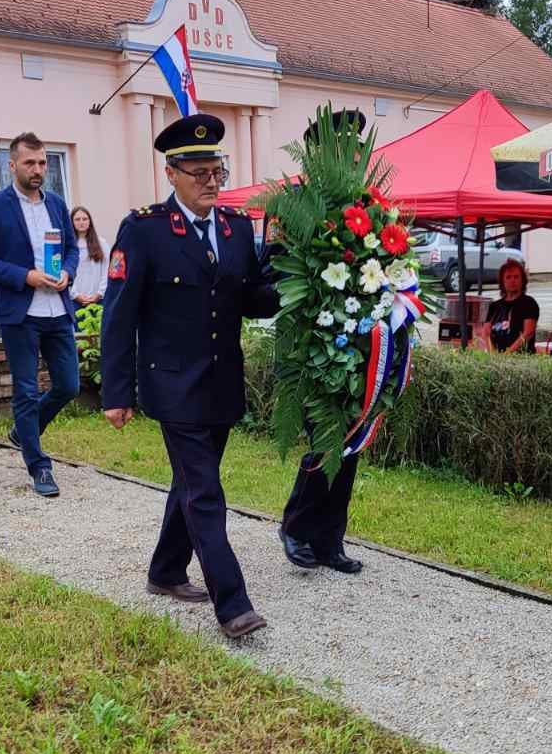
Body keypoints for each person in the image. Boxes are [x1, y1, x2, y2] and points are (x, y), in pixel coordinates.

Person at [100, 112, 277, 641]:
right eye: (198, 172)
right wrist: (117, 391)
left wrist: (290, 266)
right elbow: (119, 314)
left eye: (216, 171)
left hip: (221, 381)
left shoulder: (237, 228)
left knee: (189, 481)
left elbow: (252, 301)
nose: (211, 182)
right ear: (171, 174)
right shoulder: (144, 230)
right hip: (171, 384)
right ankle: (233, 603)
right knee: (205, 490)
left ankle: (165, 570)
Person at [277, 107, 370, 576]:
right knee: (323, 438)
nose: (352, 153)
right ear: (320, 153)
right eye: (343, 146)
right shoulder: (296, 202)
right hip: (311, 345)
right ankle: (296, 526)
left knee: (349, 443)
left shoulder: (367, 203)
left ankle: (330, 540)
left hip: (358, 344)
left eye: (356, 146)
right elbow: (278, 271)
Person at [0, 131, 80, 497]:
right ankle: (39, 466)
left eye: (43, 162)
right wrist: (24, 276)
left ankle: (23, 430)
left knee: (68, 385)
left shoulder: (57, 204)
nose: (38, 169)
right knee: (27, 391)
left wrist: (68, 273)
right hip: (21, 311)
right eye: (30, 162)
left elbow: (72, 249)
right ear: (11, 165)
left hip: (57, 308)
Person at [485, 257, 539, 353]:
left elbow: (528, 333)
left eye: (516, 277)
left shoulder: (529, 303)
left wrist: (507, 354)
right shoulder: (494, 306)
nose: (512, 280)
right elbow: (486, 332)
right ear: (502, 282)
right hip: (497, 358)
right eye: (508, 277)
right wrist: (492, 356)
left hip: (521, 358)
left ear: (522, 280)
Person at [69, 206, 108, 307]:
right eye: (77, 219)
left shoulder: (101, 243)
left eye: (85, 219)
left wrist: (99, 294)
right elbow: (64, 272)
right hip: (74, 301)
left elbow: (107, 270)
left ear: (90, 221)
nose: (81, 222)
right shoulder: (68, 245)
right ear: (71, 222)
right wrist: (75, 295)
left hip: (98, 300)